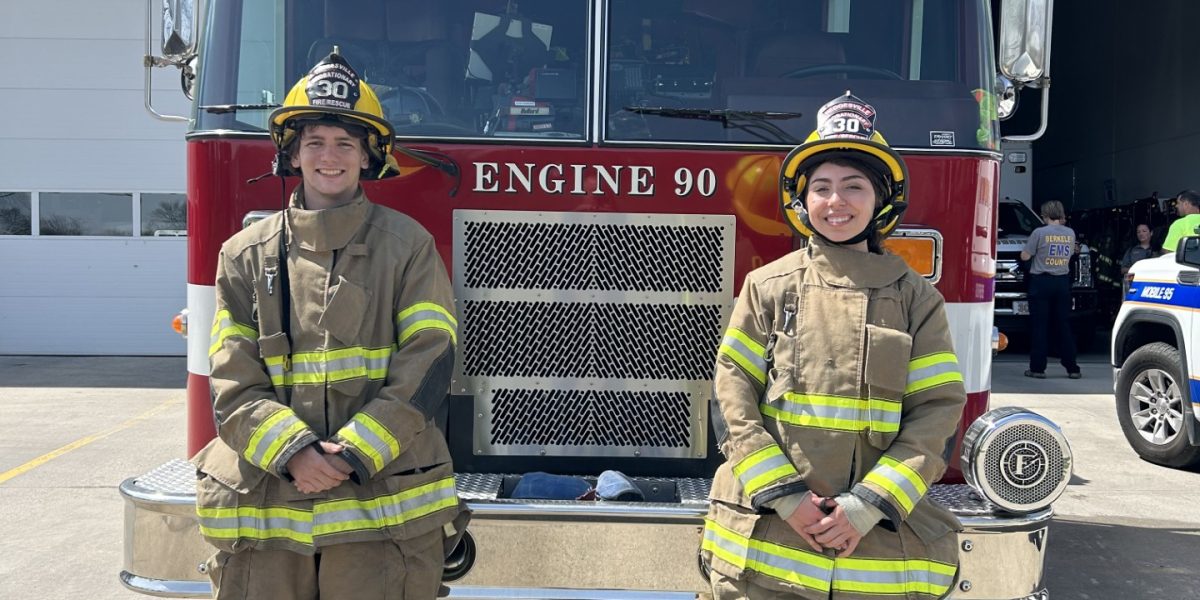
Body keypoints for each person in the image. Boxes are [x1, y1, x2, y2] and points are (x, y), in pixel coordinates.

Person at [192, 49, 469, 599]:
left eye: (346, 144)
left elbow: (432, 359)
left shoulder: (408, 246)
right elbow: (230, 374)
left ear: (369, 158)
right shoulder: (243, 255)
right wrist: (294, 452)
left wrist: (354, 453)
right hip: (268, 517)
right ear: (291, 153)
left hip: (380, 508)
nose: (330, 156)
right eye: (314, 142)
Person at [702, 92, 967, 599]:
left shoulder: (917, 300)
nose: (835, 202)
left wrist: (865, 506)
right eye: (820, 188)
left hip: (877, 555)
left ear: (881, 201)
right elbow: (731, 402)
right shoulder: (767, 287)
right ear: (803, 204)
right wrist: (786, 498)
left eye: (853, 187)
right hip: (766, 555)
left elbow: (936, 414)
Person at [1020, 200, 1081, 379]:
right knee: (1063, 325)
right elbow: (1070, 254)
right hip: (1062, 282)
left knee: (1040, 326)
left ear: (1044, 214)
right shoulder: (1070, 233)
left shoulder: (1039, 232)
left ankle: (1038, 368)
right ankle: (1072, 368)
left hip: (1041, 282)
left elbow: (1025, 255)